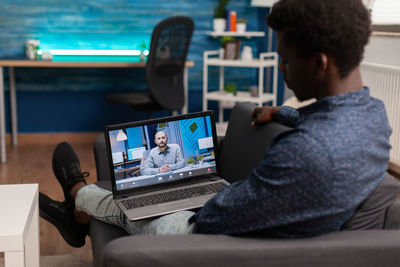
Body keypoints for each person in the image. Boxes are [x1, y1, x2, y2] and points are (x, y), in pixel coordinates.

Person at [39, 0, 391, 248]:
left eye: (285, 60)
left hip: (209, 236)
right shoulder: (373, 117)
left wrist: (178, 202)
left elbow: (212, 219)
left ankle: (76, 194)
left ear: (319, 63)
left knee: (132, 205)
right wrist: (281, 112)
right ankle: (77, 216)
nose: (281, 69)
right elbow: (322, 120)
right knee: (161, 191)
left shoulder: (305, 151)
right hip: (259, 209)